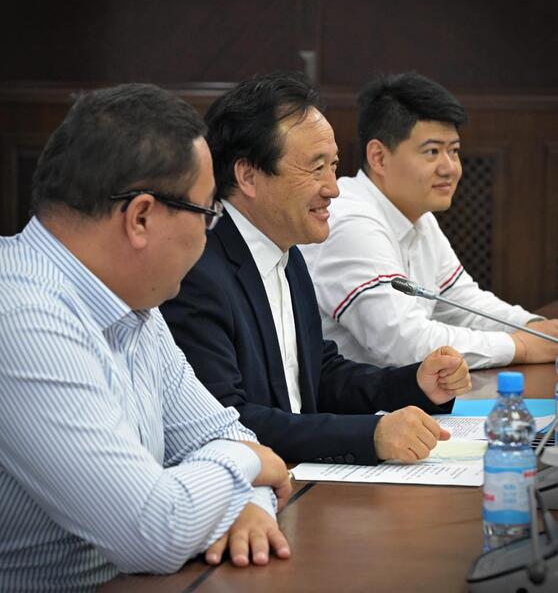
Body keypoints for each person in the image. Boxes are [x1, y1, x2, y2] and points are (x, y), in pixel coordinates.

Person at [0, 84, 293, 592]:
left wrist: (248, 501)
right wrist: (248, 466)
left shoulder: (135, 303)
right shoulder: (22, 315)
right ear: (141, 217)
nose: (208, 235)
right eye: (207, 213)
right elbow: (155, 530)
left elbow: (228, 435)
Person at [160, 71, 472, 469]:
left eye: (333, 166)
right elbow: (226, 421)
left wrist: (414, 384)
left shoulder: (286, 251)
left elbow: (316, 374)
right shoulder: (198, 272)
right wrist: (370, 436)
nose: (333, 188)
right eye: (315, 168)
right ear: (248, 176)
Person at [301, 72, 558, 370]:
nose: (450, 168)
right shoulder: (350, 222)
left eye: (454, 151)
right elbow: (405, 344)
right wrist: (520, 347)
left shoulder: (417, 215)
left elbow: (462, 303)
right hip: (345, 396)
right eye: (432, 151)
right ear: (379, 157)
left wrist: (535, 327)